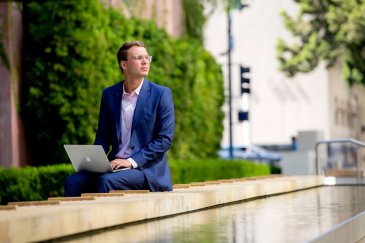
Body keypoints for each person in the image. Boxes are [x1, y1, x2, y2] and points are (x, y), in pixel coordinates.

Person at [65, 41, 175, 196]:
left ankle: (99, 221)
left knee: (106, 181)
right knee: (73, 181)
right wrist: (93, 161)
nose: (145, 62)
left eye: (147, 57)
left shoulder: (161, 94)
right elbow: (103, 137)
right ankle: (74, 220)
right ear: (124, 64)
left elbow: (164, 140)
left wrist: (130, 162)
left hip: (145, 169)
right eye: (138, 58)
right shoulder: (109, 94)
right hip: (114, 164)